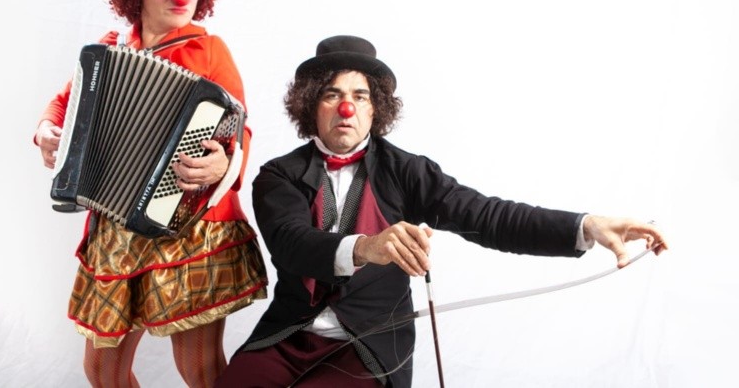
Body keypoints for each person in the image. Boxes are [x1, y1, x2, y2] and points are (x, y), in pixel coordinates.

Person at [216, 35, 668, 387]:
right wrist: (367, 247)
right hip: (289, 335)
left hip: (369, 344)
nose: (347, 108)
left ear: (376, 109)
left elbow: (488, 216)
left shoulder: (407, 171)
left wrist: (585, 225)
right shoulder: (278, 175)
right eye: (332, 95)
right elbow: (292, 244)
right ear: (311, 105)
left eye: (361, 96)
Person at [34, 0, 267, 388]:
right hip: (116, 231)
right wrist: (46, 132)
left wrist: (224, 162)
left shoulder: (210, 51)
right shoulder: (108, 52)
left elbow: (239, 128)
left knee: (198, 368)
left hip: (191, 226)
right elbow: (63, 103)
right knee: (103, 370)